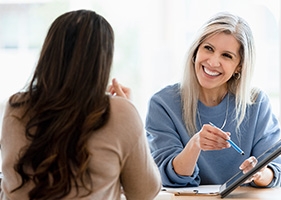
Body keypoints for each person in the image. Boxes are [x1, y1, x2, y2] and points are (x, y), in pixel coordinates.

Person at [0, 10, 161, 200]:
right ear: (102, 61)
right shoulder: (120, 112)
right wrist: (128, 111)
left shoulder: (16, 107)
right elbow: (144, 192)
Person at [144, 12, 281, 187]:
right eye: (208, 48)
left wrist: (259, 173)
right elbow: (168, 177)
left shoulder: (256, 103)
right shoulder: (163, 104)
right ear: (196, 50)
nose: (213, 62)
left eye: (227, 56)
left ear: (239, 66)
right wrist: (195, 144)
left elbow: (274, 171)